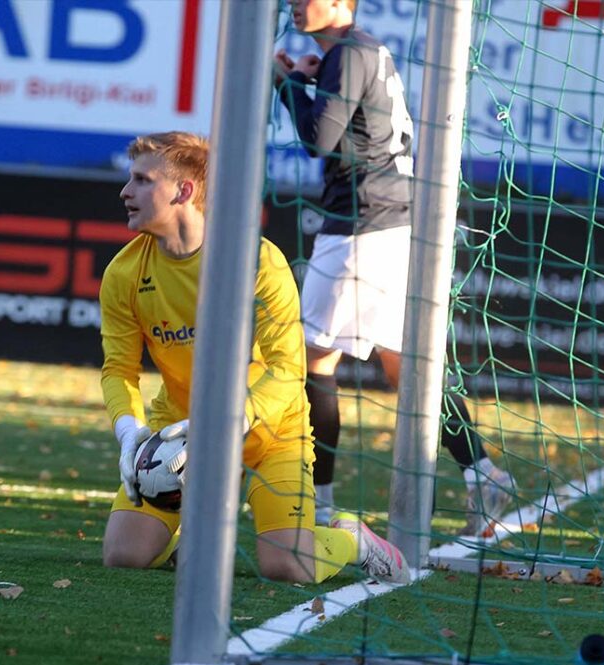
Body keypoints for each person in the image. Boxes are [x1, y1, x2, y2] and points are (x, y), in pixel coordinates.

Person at [99, 131, 411, 584]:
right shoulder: (124, 272)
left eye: (142, 181)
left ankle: (352, 539)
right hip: (181, 435)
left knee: (286, 567)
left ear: (184, 191)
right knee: (124, 554)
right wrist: (129, 431)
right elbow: (118, 370)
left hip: (272, 431)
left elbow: (288, 368)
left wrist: (229, 424)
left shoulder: (258, 261)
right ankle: (186, 538)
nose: (126, 192)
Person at [273, 0, 515, 535]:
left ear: (340, 5)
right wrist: (310, 82)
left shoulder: (348, 54)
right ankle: (482, 473)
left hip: (362, 223)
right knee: (404, 363)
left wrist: (285, 83)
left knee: (314, 360)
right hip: (396, 220)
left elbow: (319, 140)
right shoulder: (363, 50)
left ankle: (320, 507)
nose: (294, 3)